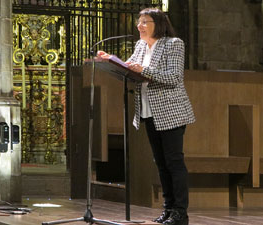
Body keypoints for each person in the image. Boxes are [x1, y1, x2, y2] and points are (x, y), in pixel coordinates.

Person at [97, 8, 195, 225]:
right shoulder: (141, 45)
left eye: (144, 22)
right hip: (148, 111)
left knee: (174, 162)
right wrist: (111, 60)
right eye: (138, 22)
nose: (139, 26)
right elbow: (131, 68)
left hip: (170, 111)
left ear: (158, 23)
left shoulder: (173, 44)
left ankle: (180, 213)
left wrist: (144, 71)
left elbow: (174, 77)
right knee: (160, 163)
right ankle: (168, 210)